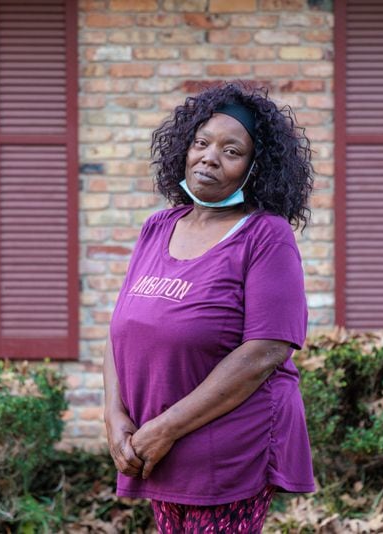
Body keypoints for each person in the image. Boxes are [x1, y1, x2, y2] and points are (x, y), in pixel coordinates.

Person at [104, 82, 315, 533]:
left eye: (231, 150)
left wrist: (164, 428)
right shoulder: (158, 227)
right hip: (156, 446)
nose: (209, 157)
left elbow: (265, 351)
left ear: (255, 168)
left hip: (228, 447)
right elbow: (121, 328)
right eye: (201, 142)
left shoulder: (265, 235)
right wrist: (115, 417)